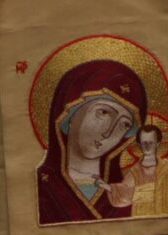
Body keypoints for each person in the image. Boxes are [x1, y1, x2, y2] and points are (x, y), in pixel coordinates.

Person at [36, 60, 147, 225]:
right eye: (103, 112)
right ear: (70, 115)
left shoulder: (126, 193)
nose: (108, 133)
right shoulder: (39, 186)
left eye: (124, 125)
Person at [104, 124, 168, 217]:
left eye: (151, 142)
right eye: (144, 142)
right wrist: (107, 187)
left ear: (157, 143)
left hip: (162, 215)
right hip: (141, 215)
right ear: (139, 144)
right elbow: (125, 192)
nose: (147, 146)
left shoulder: (165, 168)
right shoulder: (135, 170)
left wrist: (139, 193)